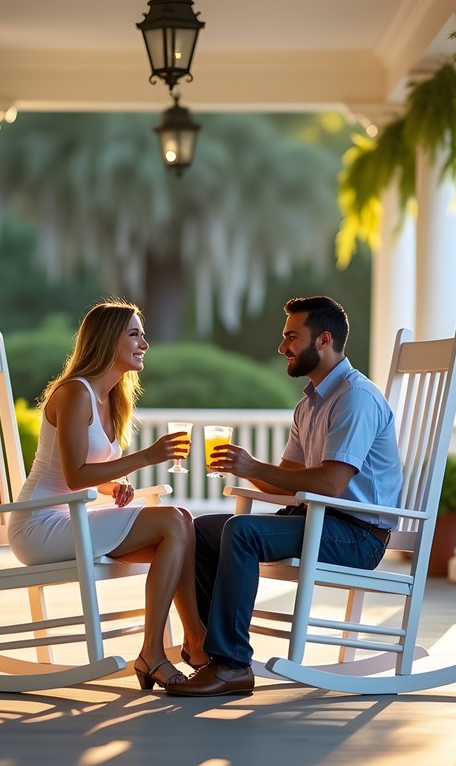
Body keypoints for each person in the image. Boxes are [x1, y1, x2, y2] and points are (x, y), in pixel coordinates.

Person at [168, 296, 403, 697]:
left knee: (241, 532)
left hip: (357, 534)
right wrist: (246, 466)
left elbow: (329, 484)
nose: (282, 348)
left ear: (324, 340)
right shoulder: (309, 405)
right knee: (199, 530)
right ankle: (211, 652)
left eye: (292, 337)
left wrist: (256, 469)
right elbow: (287, 481)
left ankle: (232, 664)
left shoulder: (355, 398)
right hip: (315, 520)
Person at [8, 299, 207, 691]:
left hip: (70, 516)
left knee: (182, 524)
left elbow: (85, 474)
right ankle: (165, 649)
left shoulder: (113, 398)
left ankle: (190, 640)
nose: (144, 343)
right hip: (38, 524)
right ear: (106, 340)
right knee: (174, 520)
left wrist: (111, 485)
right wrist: (145, 457)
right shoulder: (73, 394)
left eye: (143, 334)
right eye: (134, 334)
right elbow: (72, 473)